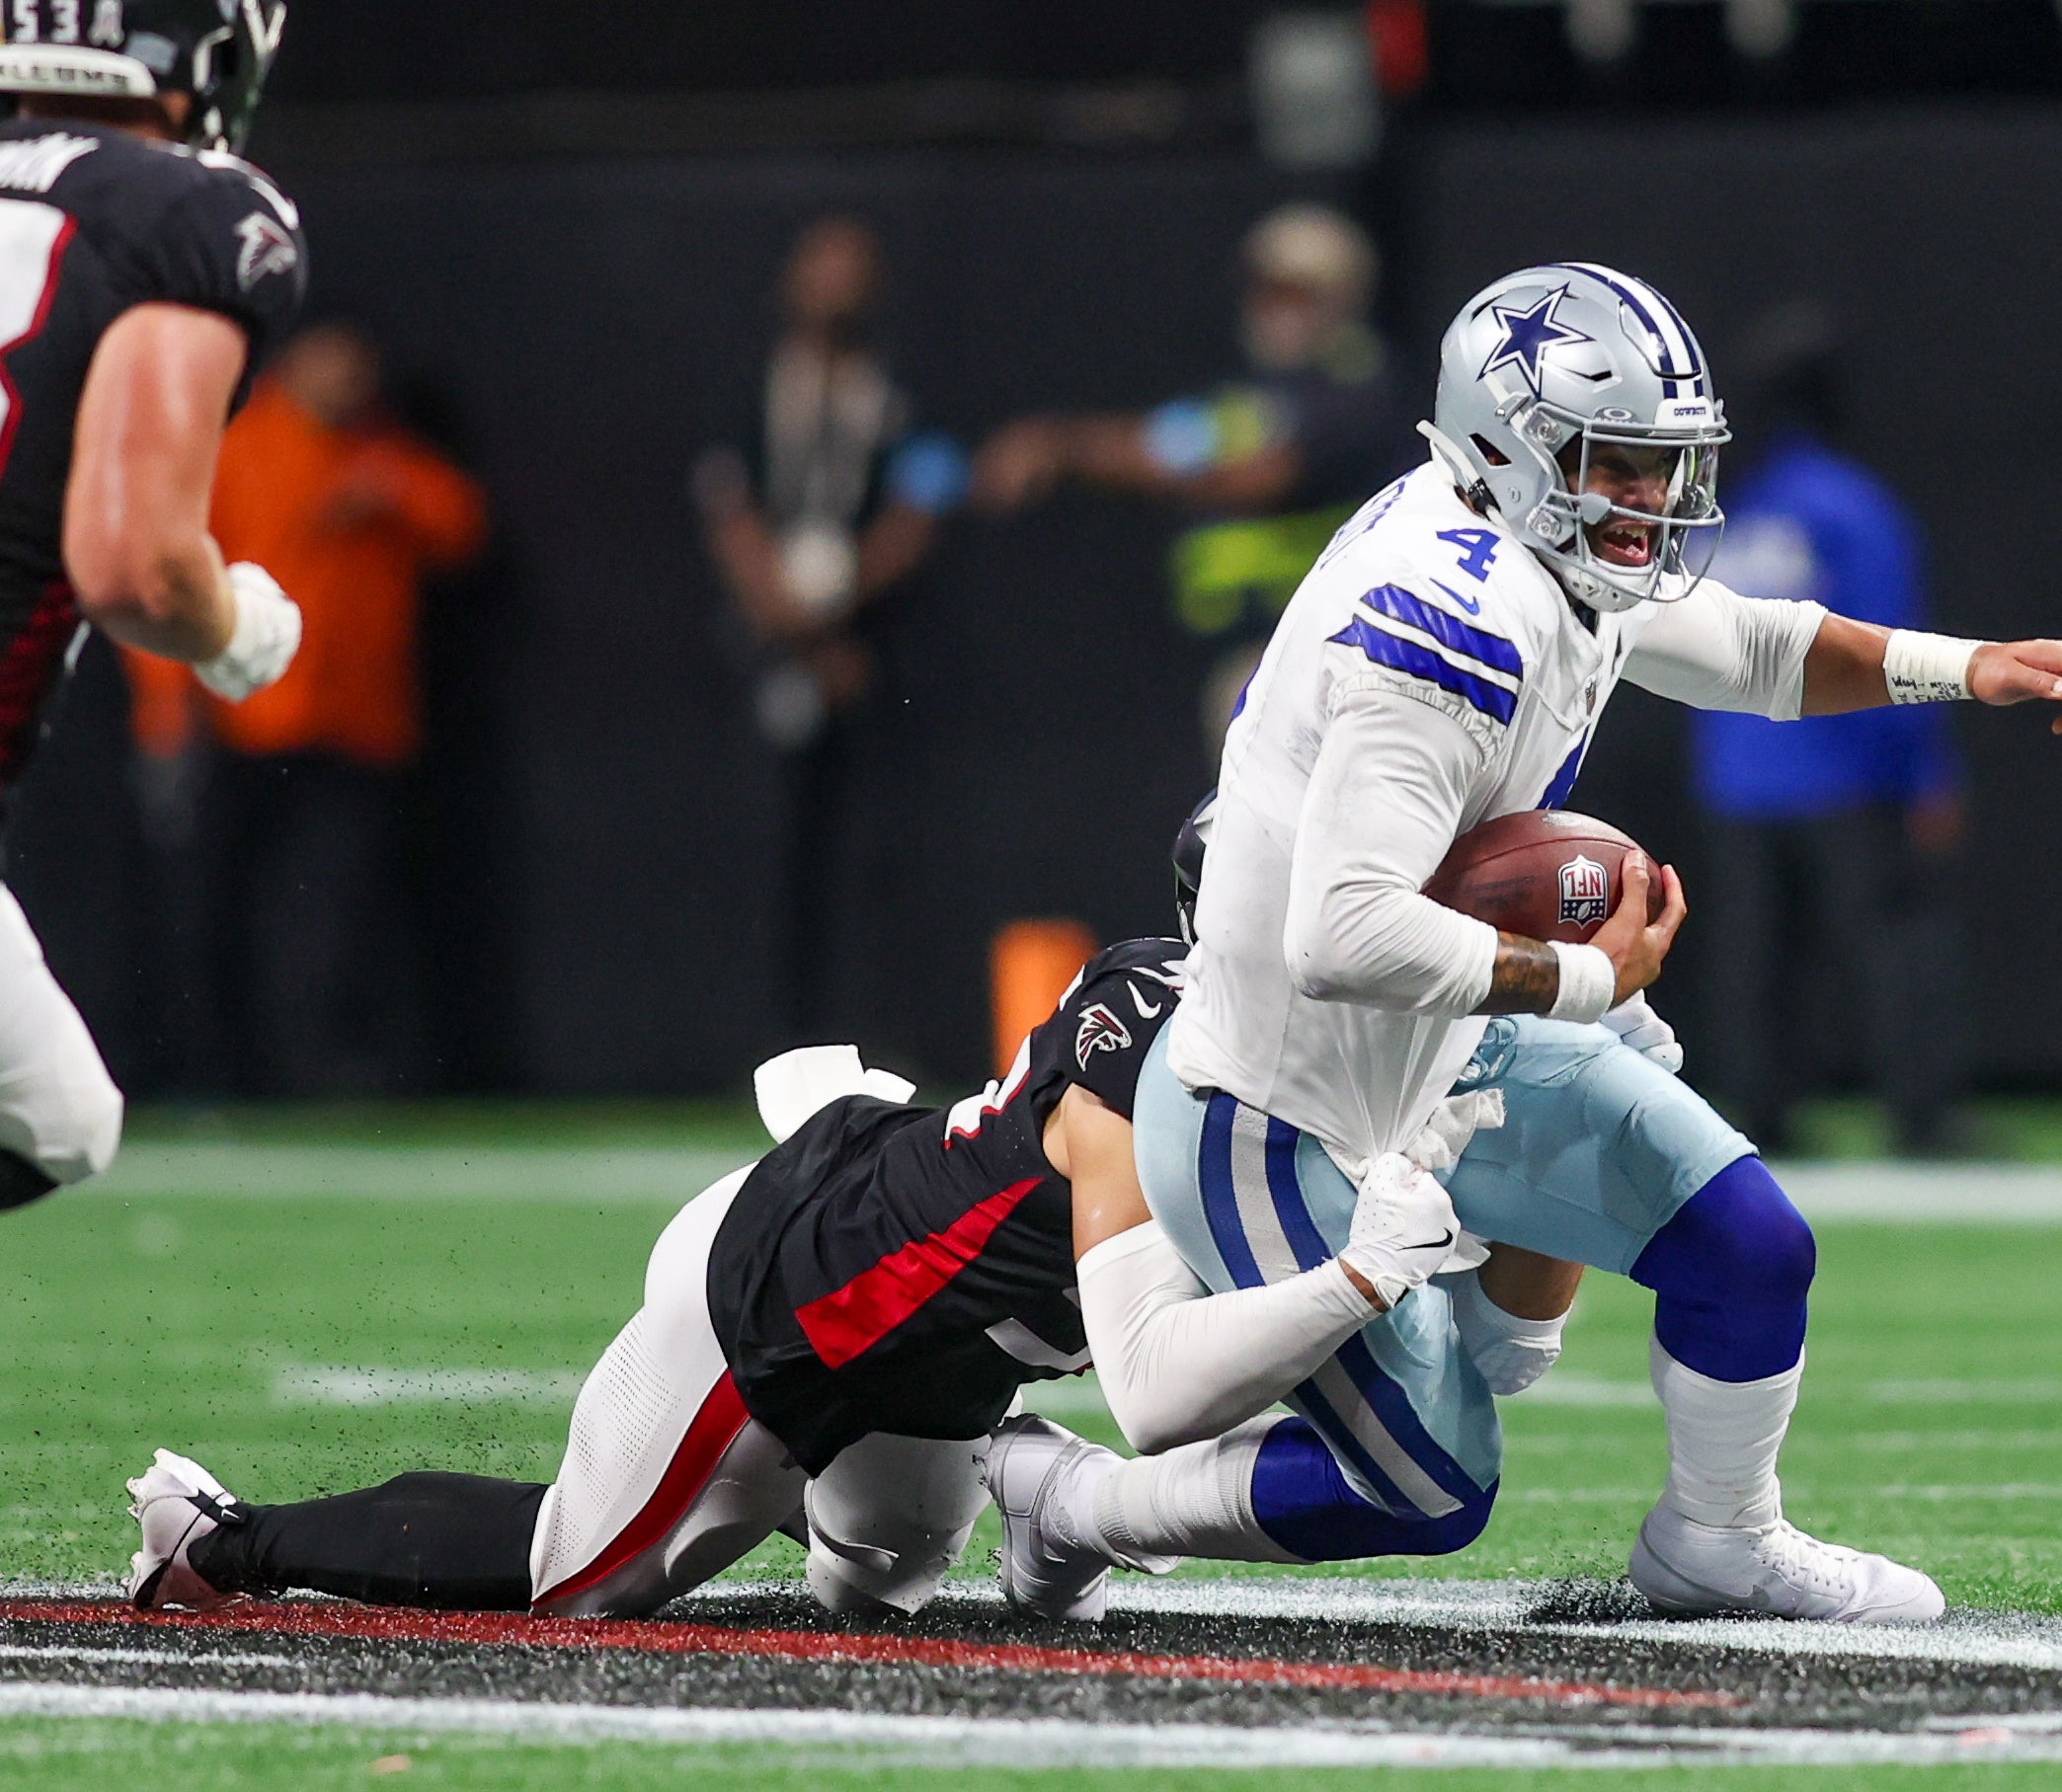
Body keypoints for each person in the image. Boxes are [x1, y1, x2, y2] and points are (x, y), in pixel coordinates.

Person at [982, 263, 2062, 1623]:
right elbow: (1339, 931)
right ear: (1505, 447)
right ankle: (1079, 1503)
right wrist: (1588, 982)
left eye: (1661, 467)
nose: (1648, 499)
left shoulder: (1527, 537)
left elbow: (1744, 646)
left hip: (1438, 1044)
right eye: (1618, 465)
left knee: (1749, 1243)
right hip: (1274, 1108)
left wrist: (1967, 663)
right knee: (1430, 1482)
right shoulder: (1449, 617)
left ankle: (1719, 1536)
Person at [125, 937, 1575, 1619]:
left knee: (878, 1588)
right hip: (787, 1301)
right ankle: (221, 1539)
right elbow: (1161, 1392)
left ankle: (1001, 1474)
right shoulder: (1154, 1074)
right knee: (582, 1577)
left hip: (938, 1359)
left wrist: (1549, 1158)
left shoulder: (1320, 1070)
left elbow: (1494, 1362)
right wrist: (1369, 1274)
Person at [0, 1, 306, 1208]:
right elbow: (134, 566)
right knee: (51, 1122)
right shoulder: (184, 214)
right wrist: (233, 627)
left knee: (54, 1112)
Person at [124, 320, 486, 1094]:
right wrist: (165, 708)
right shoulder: (237, 445)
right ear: (294, 362)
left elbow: (461, 524)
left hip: (356, 726)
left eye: (360, 364)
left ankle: (327, 1074)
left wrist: (387, 489)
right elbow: (164, 580)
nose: (347, 379)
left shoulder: (381, 453)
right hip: (242, 722)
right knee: (211, 912)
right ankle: (209, 1076)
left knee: (339, 916)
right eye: (333, 359)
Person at [1690, 305, 1978, 1159]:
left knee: (1757, 957)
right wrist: (1927, 775)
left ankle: (1761, 1113)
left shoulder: (1724, 512)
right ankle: (1922, 1115)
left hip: (1739, 769)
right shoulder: (1851, 507)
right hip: (1843, 767)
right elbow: (1897, 648)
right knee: (1891, 944)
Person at [971, 203, 1416, 748]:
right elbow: (1160, 442)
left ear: (1341, 295)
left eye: (1293, 292)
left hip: (1337, 648)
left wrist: (1087, 456)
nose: (1272, 308)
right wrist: (1060, 442)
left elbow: (1257, 476)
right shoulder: (1247, 397)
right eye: (1265, 290)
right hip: (1245, 645)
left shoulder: (1358, 383)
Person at [693, 217, 964, 1035]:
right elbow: (725, 502)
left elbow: (925, 503)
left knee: (872, 858)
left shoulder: (904, 396)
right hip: (771, 649)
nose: (835, 288)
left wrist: (840, 607)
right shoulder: (752, 387)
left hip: (869, 653)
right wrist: (790, 621)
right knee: (767, 854)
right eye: (821, 269)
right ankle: (764, 1038)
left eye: (853, 270)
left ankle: (877, 1035)